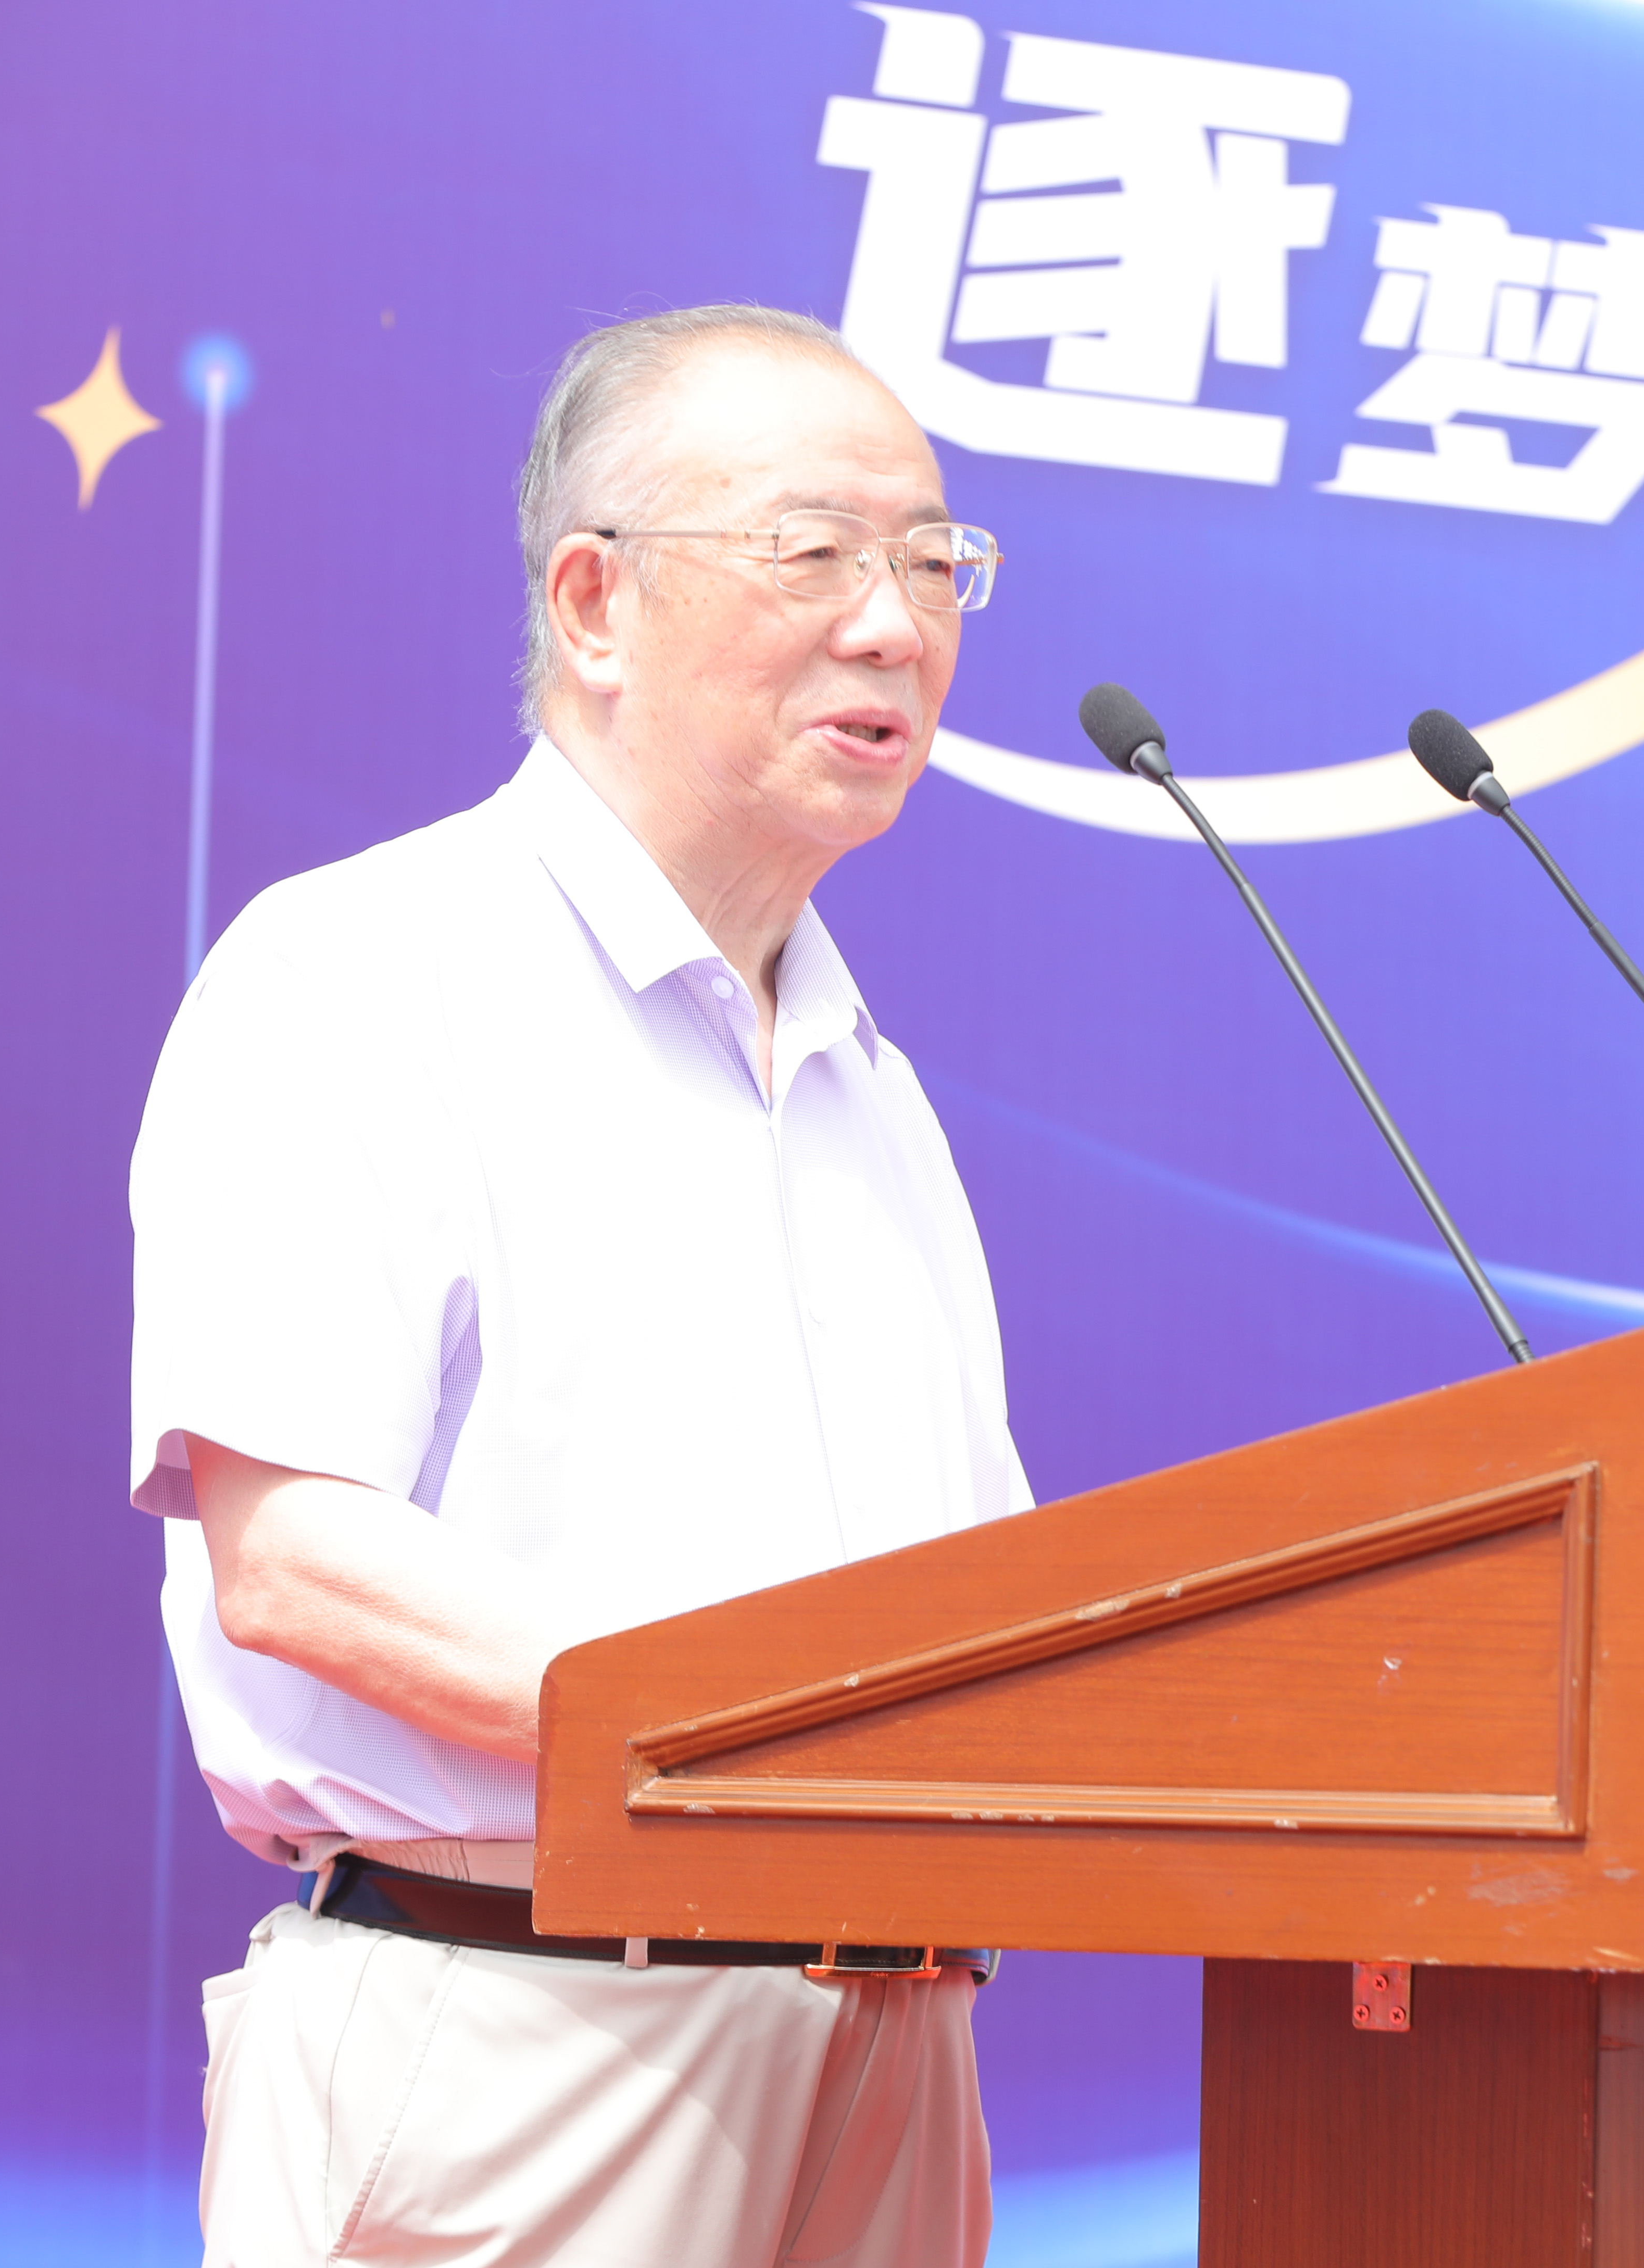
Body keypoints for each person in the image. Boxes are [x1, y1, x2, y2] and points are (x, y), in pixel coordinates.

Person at [129, 304, 1025, 2266]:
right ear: (594, 602)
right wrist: (769, 1730)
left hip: (893, 2043)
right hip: (522, 2032)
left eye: (933, 561)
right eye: (815, 553)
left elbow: (967, 1596)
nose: (895, 626)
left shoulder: (870, 1083)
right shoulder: (365, 972)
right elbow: (295, 1554)